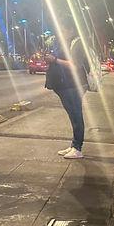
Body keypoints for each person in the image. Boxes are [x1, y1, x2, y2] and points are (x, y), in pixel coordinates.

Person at [45, 15, 90, 159]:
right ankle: (74, 145)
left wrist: (55, 60)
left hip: (73, 84)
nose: (60, 32)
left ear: (70, 29)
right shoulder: (65, 42)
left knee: (76, 114)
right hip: (65, 85)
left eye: (62, 29)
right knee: (72, 114)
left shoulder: (76, 43)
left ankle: (77, 147)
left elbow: (75, 65)